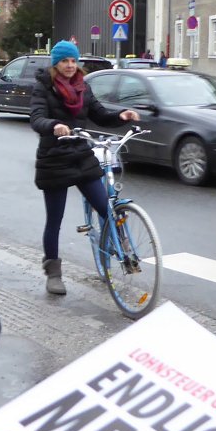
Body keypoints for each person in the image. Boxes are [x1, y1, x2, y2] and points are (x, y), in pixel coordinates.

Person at [29, 41, 138, 296]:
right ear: (56, 63)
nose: (70, 65)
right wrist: (53, 125)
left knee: (106, 208)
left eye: (73, 61)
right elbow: (36, 118)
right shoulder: (43, 87)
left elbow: (98, 114)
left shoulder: (83, 87)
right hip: (54, 158)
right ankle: (53, 273)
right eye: (65, 61)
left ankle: (119, 253)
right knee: (54, 220)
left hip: (81, 155)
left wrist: (120, 115)